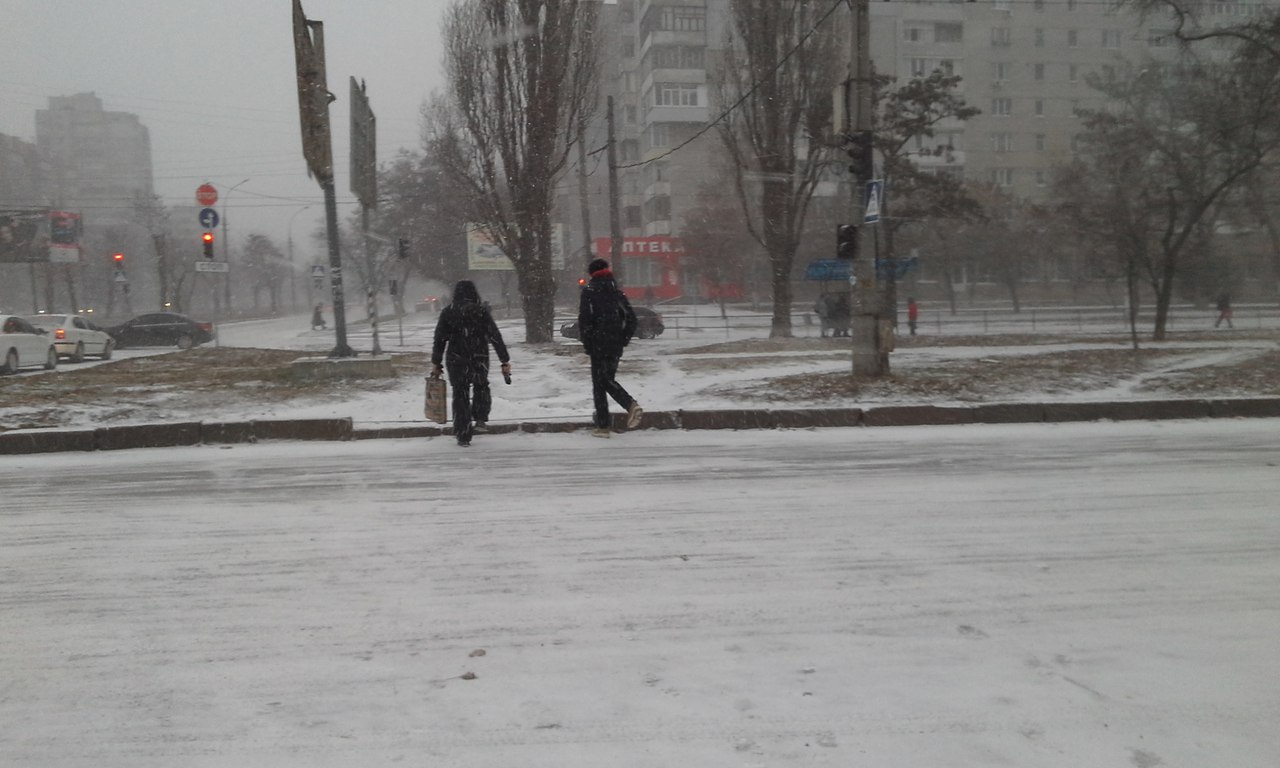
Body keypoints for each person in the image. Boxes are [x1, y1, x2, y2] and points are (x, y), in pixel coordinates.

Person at [431, 280, 511, 447]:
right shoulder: (481, 311)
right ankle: (480, 417)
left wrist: (436, 362)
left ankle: (463, 434)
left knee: (460, 394)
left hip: (456, 358)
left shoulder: (448, 312)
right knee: (481, 386)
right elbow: (495, 336)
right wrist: (504, 359)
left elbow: (439, 339)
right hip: (479, 357)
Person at [578, 258, 642, 438]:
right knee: (606, 380)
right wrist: (622, 340)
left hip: (598, 345)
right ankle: (602, 425)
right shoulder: (618, 294)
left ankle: (627, 406)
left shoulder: (589, 293)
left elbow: (584, 321)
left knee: (601, 383)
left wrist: (588, 343)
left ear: (592, 274)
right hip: (615, 346)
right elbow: (632, 319)